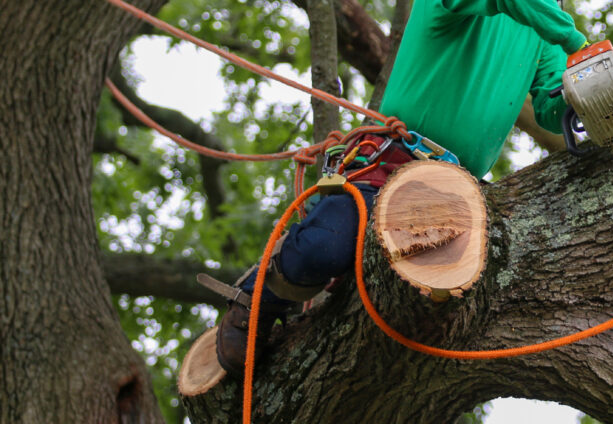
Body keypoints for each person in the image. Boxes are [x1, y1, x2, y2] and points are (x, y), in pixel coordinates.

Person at [212, 0, 588, 377]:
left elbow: (550, 105)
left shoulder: (544, 35)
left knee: (465, 302)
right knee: (322, 249)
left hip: (458, 190)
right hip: (393, 163)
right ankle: (257, 301)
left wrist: (584, 92)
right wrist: (576, 42)